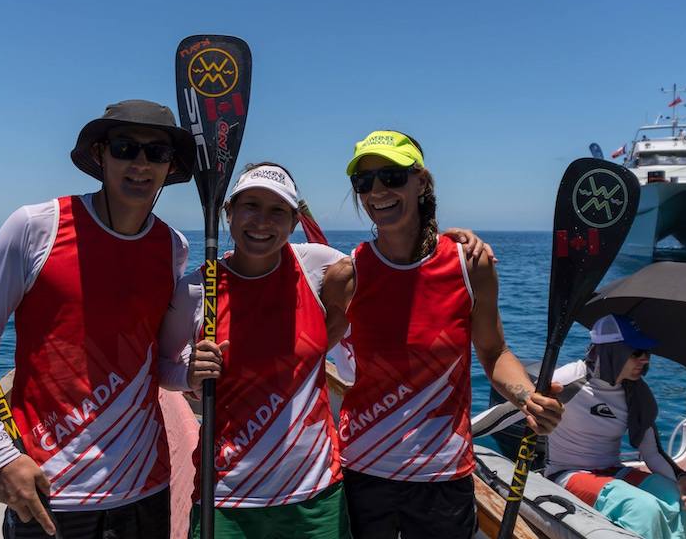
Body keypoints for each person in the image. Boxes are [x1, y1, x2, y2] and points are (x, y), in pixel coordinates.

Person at [159, 162, 490, 538]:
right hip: (226, 496)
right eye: (250, 206)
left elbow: (402, 260)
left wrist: (451, 240)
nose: (262, 221)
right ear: (229, 212)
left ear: (294, 221)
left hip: (315, 495)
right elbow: (161, 368)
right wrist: (188, 375)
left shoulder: (314, 264)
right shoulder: (197, 289)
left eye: (277, 211)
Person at [0, 100, 197, 539]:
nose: (140, 164)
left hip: (145, 486)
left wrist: (193, 374)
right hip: (49, 488)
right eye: (125, 148)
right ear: (100, 154)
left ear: (169, 165)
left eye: (156, 152)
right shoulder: (35, 227)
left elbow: (158, 363)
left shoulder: (172, 247)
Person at [321, 130, 564, 538]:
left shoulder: (470, 266)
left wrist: (526, 398)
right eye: (364, 182)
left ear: (422, 182)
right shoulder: (347, 276)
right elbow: (305, 352)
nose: (377, 190)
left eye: (392, 176)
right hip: (361, 471)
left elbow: (493, 351)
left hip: (443, 474)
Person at [537, 315, 686, 539]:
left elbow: (652, 453)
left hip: (613, 470)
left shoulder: (637, 394)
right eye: (636, 353)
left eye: (646, 353)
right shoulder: (566, 382)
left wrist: (683, 479)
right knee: (643, 509)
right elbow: (515, 409)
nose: (645, 360)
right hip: (566, 473)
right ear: (611, 351)